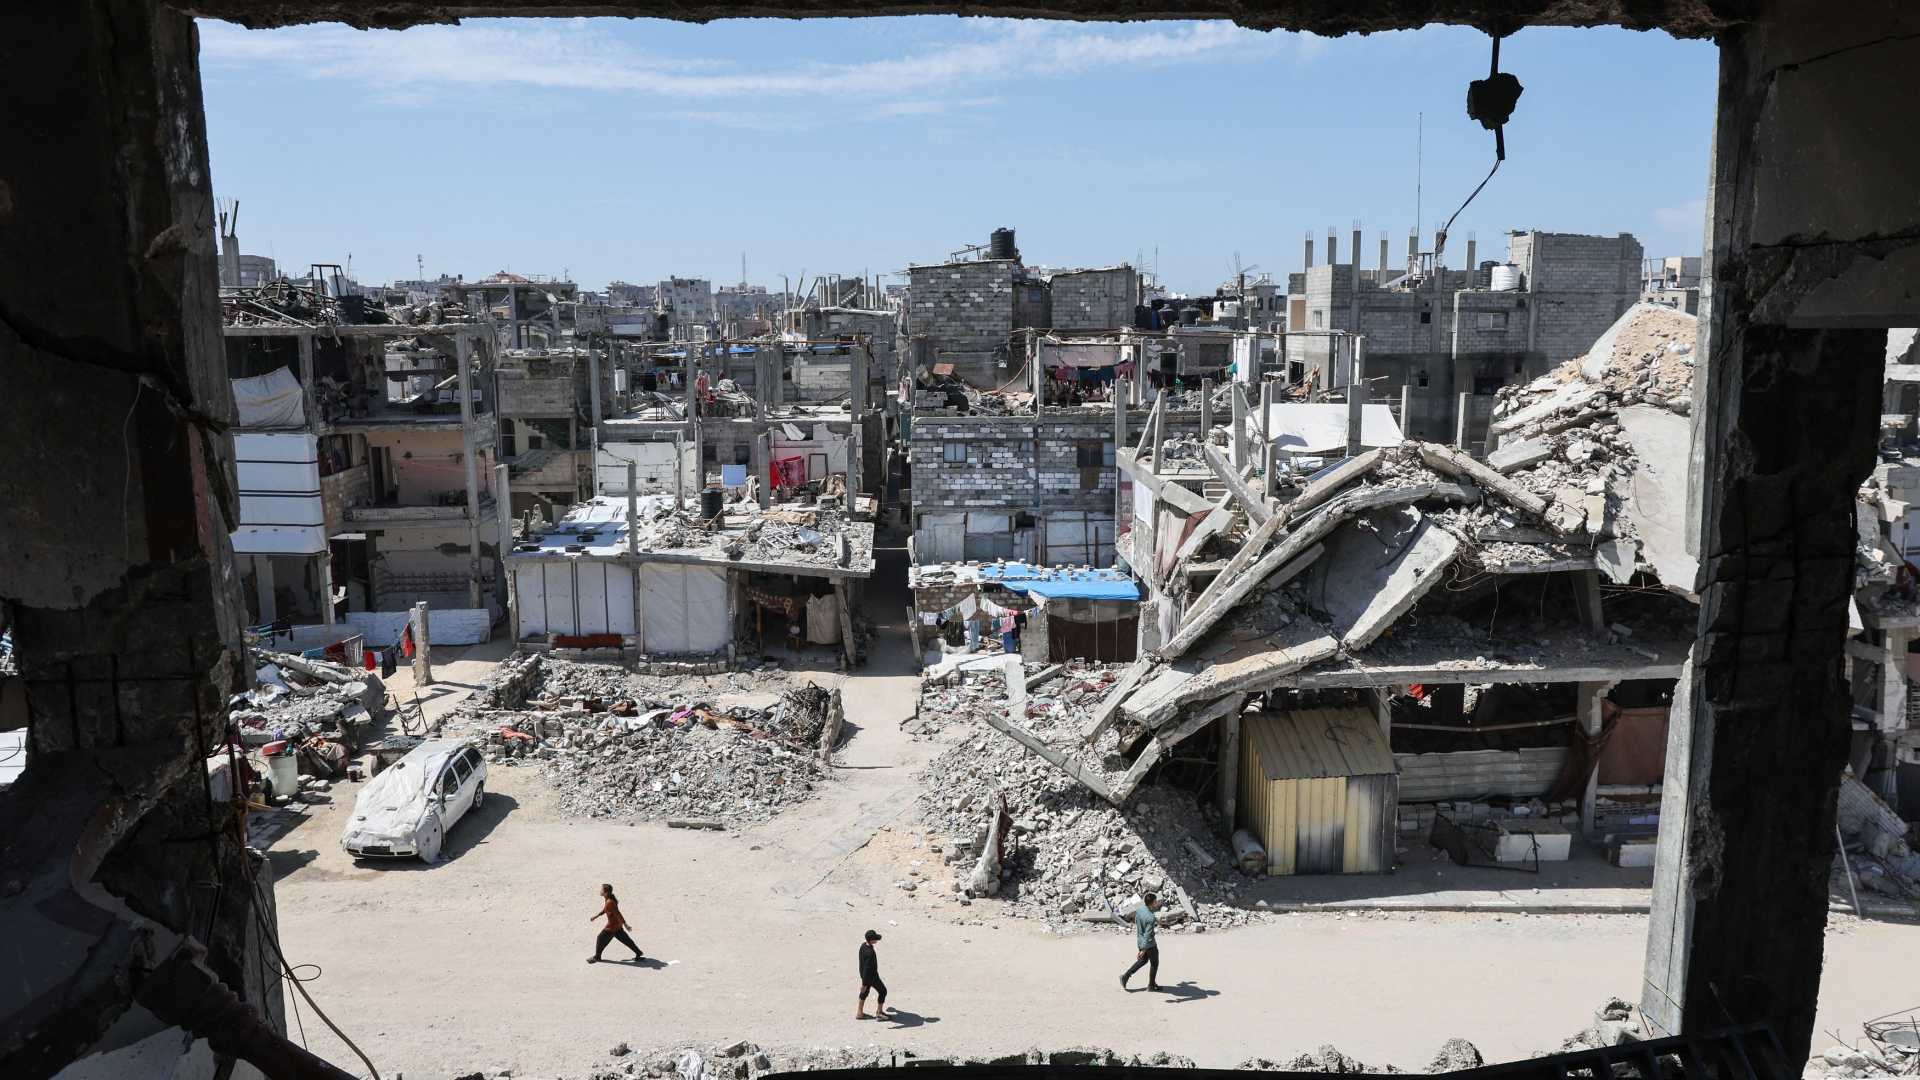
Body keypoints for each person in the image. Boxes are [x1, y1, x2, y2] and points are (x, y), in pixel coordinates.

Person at [587, 883, 643, 963]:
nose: (600, 891)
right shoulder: (608, 899)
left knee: (600, 938)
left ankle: (597, 957)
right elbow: (605, 909)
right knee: (626, 940)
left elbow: (618, 913)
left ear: (606, 893)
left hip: (612, 926)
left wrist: (625, 924)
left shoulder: (610, 902)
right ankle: (638, 952)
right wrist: (596, 916)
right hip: (617, 926)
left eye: (602, 890)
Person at [1120, 893, 1161, 991]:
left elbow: (1137, 923)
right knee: (1154, 963)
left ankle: (1125, 976)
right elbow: (1148, 934)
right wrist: (1144, 949)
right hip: (1149, 944)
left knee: (1143, 960)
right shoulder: (1151, 917)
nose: (1157, 902)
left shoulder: (1140, 910)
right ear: (1152, 903)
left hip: (1140, 940)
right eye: (1155, 901)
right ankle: (1151, 985)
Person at [855, 930, 888, 1019]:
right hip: (871, 976)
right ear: (871, 940)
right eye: (875, 939)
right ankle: (879, 1013)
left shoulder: (863, 946)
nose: (876, 940)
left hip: (864, 975)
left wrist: (864, 981)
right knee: (883, 991)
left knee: (864, 992)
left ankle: (859, 1013)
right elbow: (867, 968)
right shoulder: (870, 952)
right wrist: (864, 984)